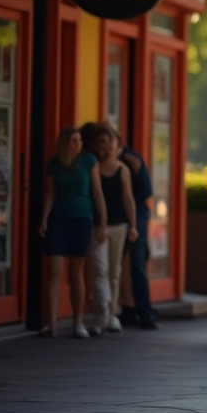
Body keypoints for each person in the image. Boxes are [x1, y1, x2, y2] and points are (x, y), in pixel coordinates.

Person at [39, 127, 106, 338]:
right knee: (55, 270)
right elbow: (50, 193)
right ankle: (52, 323)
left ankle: (77, 323)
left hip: (82, 219)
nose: (77, 144)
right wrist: (44, 219)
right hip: (58, 219)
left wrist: (102, 222)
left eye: (79, 140)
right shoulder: (54, 164)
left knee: (76, 273)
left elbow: (97, 192)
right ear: (64, 143)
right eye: (73, 141)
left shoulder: (88, 161)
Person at [87, 128, 138, 335]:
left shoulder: (122, 169)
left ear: (116, 145)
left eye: (110, 142)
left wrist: (133, 225)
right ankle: (102, 313)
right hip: (96, 225)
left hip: (119, 225)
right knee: (99, 270)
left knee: (114, 272)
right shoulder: (92, 166)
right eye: (101, 142)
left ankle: (112, 314)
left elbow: (128, 198)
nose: (106, 146)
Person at [118, 139, 156, 330]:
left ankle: (144, 311)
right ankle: (129, 307)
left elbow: (146, 193)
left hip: (136, 214)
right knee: (122, 264)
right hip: (116, 216)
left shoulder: (132, 159)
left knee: (136, 262)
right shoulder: (99, 161)